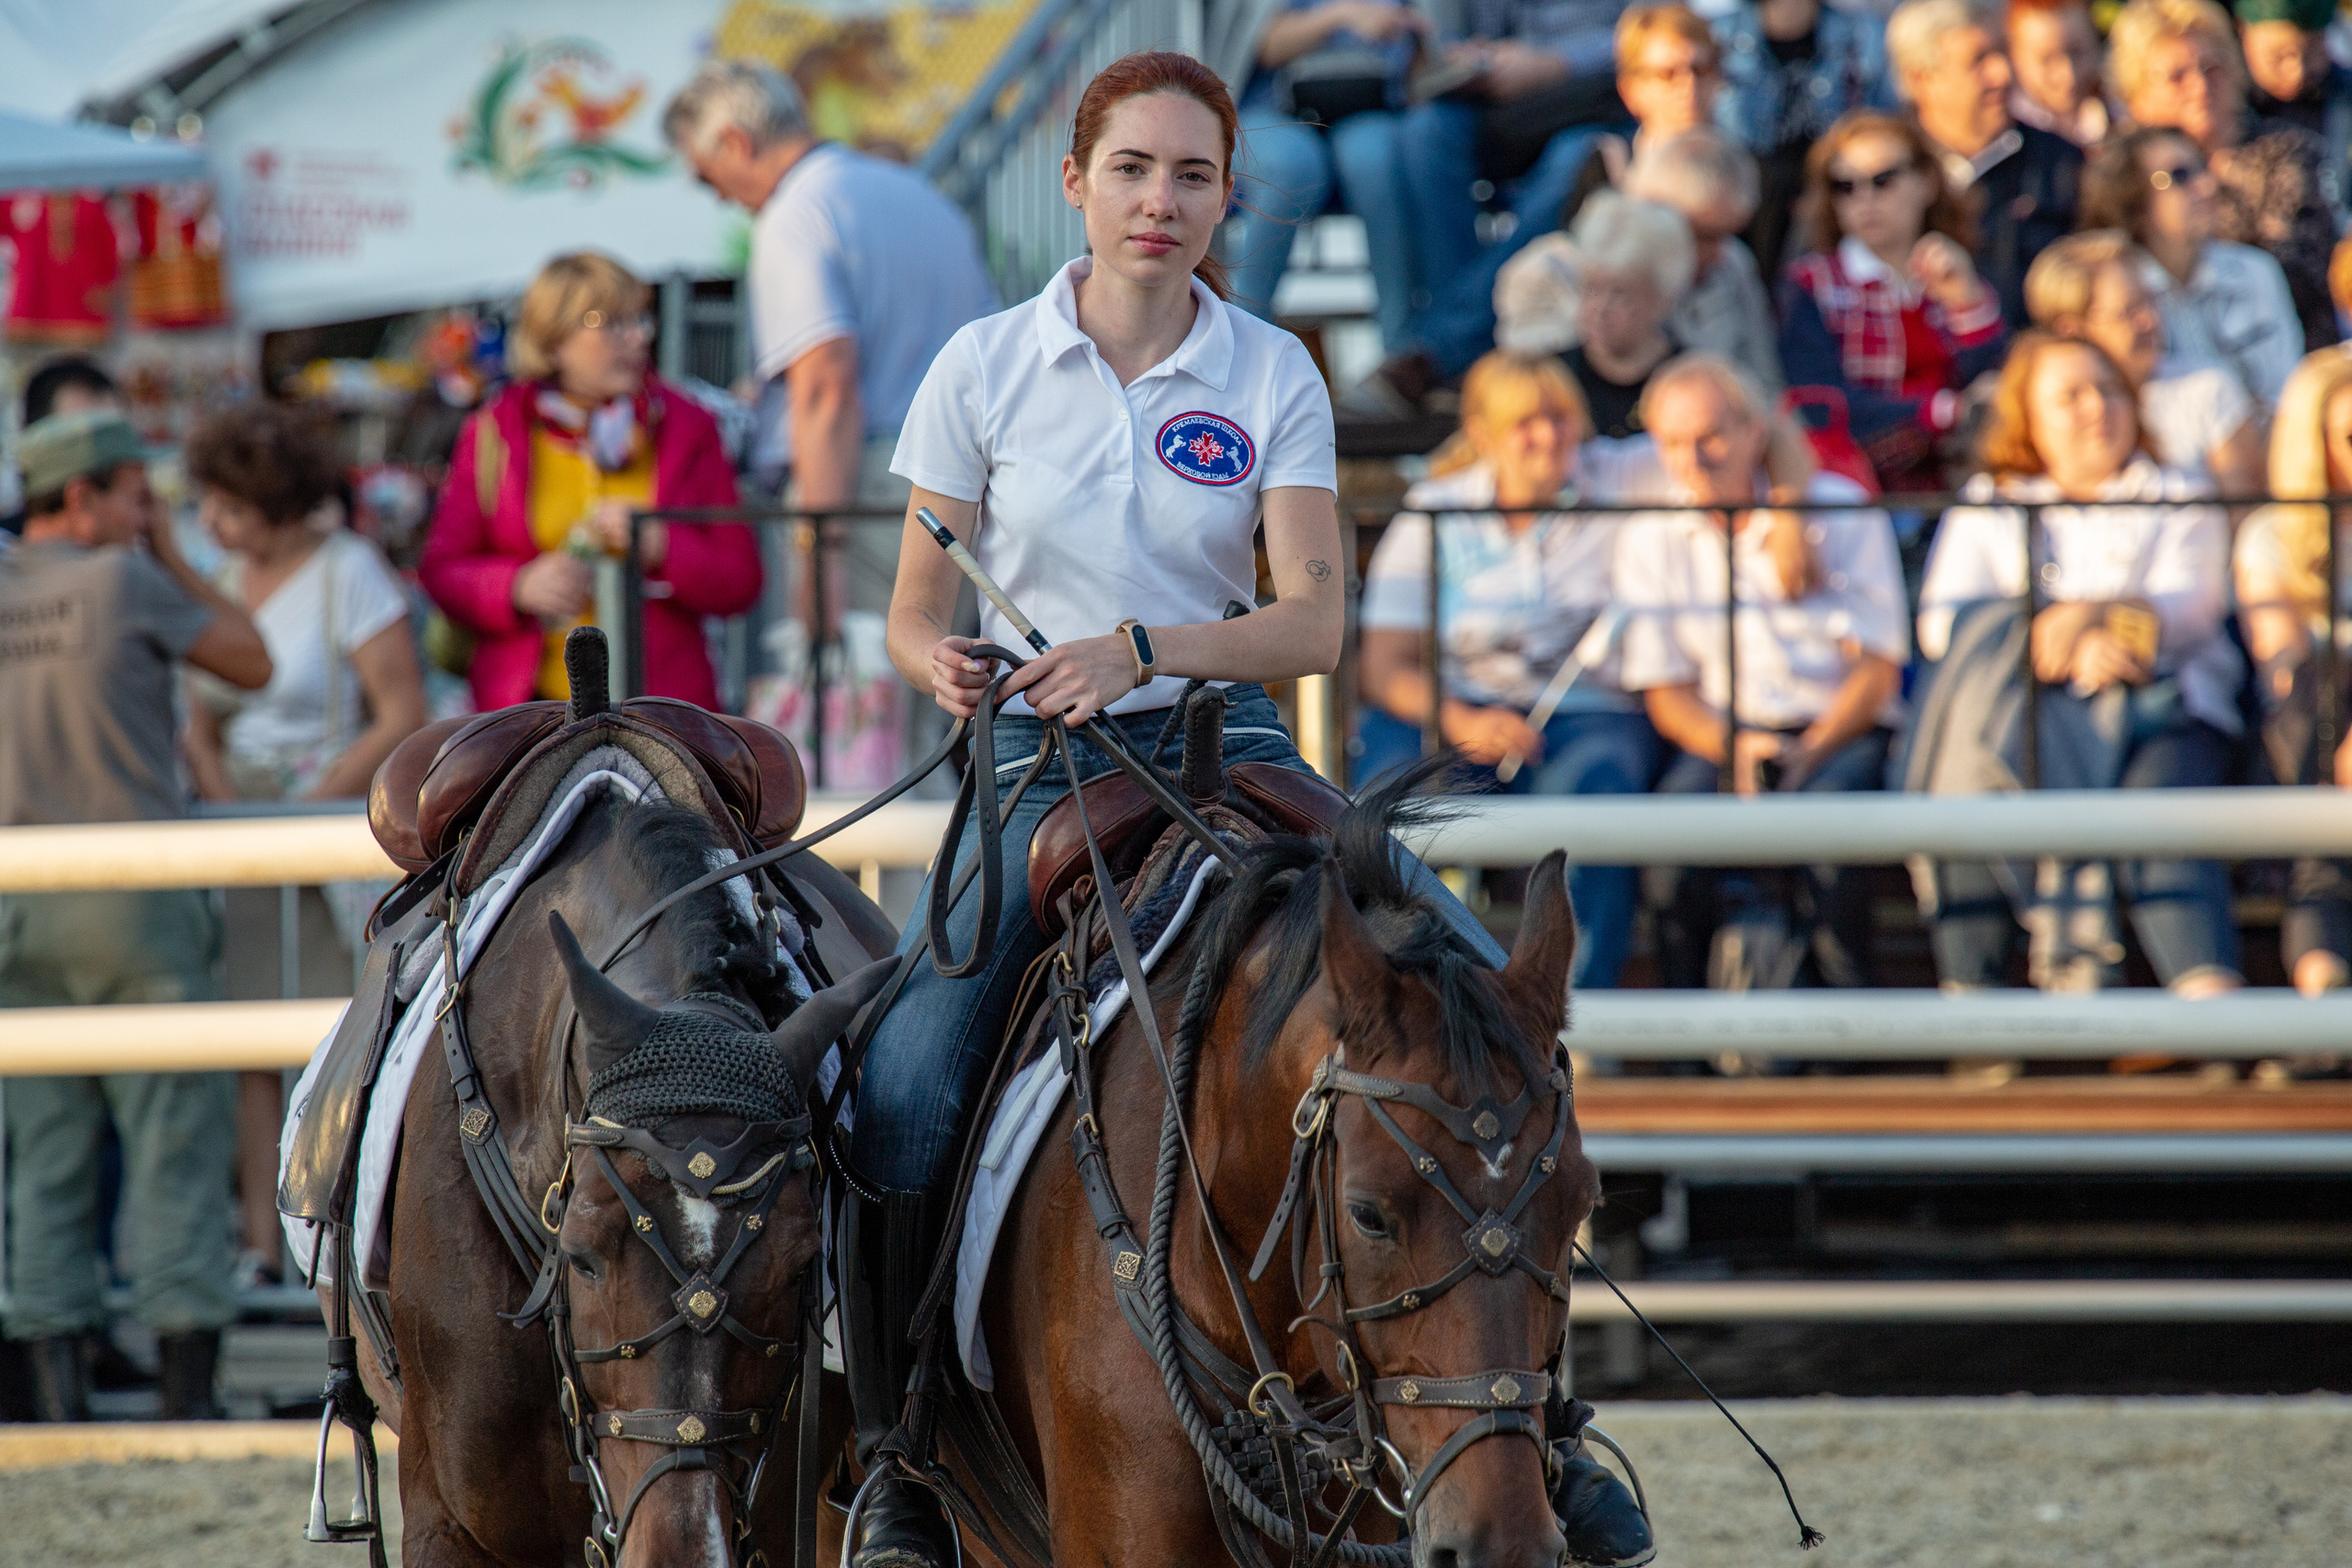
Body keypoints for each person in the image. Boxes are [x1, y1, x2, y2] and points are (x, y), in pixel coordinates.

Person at [852, 51, 1649, 1568]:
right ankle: (896, 1449)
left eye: (1196, 175)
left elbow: (1308, 628)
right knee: (898, 1088)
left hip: (1238, 748)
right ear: (1076, 182)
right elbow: (908, 608)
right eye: (1137, 169)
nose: (1164, 201)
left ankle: (1551, 1426)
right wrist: (942, 660)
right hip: (1040, 773)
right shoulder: (981, 366)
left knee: (1481, 1013)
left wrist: (1142, 648)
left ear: (1228, 195)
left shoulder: (1269, 367)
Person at [0, 411, 272, 1422]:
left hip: (18, 900)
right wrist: (173, 559)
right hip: (134, 900)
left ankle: (53, 1398)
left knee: (45, 1152)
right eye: (133, 496)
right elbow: (251, 660)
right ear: (84, 498)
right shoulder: (123, 579)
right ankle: (185, 1400)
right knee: (173, 1146)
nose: (145, 515)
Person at [177, 400, 426, 1284]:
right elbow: (195, 717)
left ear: (275, 503)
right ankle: (256, 1237)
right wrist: (220, 798)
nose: (212, 522)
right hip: (234, 823)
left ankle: (337, 1230)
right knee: (251, 1041)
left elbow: (401, 711)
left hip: (322, 825)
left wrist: (307, 804)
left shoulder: (349, 570)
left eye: (230, 505)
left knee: (332, 1031)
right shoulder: (214, 573)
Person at [1917, 333, 2245, 994]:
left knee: (2158, 810)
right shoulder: (1992, 502)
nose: (2097, 407)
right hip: (2021, 717)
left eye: (2109, 389)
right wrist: (2054, 640)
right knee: (1968, 789)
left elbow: (2191, 609)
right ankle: (1977, 1010)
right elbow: (1942, 625)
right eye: (2071, 395)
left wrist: (2087, 615)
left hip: (2163, 708)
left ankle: (2210, 1003)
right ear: (2028, 417)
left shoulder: (2178, 490)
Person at [1355, 351, 1661, 987]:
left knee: (1598, 797)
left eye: (1561, 417)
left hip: (1582, 713)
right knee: (1389, 805)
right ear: (1484, 433)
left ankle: (1580, 1017)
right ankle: (1408, 1007)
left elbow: (1732, 421)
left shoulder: (1619, 478)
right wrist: (1464, 720)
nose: (1549, 435)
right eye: (1526, 421)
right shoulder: (1434, 508)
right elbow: (1383, 668)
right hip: (1451, 706)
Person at [1617, 355, 1908, 989]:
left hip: (1838, 732)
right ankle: (1682, 1046)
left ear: (1754, 431)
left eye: (1711, 436)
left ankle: (1849, 1043)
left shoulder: (1840, 507)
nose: (1694, 460)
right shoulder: (1650, 535)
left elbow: (1878, 671)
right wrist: (1735, 748)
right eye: (1672, 443)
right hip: (1723, 736)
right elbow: (1667, 694)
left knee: (1832, 846)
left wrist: (1810, 750)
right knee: (1669, 854)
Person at [663, 61, 998, 601]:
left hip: (865, 497)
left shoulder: (794, 213)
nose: (719, 197)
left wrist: (821, 553)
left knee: (852, 679)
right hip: (962, 489)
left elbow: (826, 389)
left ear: (734, 142)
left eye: (706, 176)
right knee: (949, 679)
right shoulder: (920, 196)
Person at [418, 251, 762, 710]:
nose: (639, 337)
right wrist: (517, 586)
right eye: (613, 323)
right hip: (527, 715)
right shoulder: (495, 431)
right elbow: (441, 569)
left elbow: (741, 580)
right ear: (555, 337)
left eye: (642, 319)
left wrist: (661, 545)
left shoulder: (687, 426)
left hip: (662, 717)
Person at [1343, 0, 1665, 420]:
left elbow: (1659, 29)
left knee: (1577, 165)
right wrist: (1466, 58)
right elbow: (1440, 40)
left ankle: (1433, 356)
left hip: (1595, 104)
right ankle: (1461, 362)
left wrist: (1553, 63)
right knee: (1424, 135)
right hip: (1502, 105)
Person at [1779, 110, 2010, 491]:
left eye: (1883, 180)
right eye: (1845, 186)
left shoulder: (1962, 267)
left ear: (1927, 183)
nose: (1865, 199)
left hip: (1966, 475)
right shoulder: (1811, 285)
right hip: (1859, 484)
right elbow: (1819, 402)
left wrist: (1967, 303)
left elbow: (1996, 381)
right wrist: (1941, 411)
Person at [2107, 0, 2340, 353]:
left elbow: (2300, 278)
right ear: (2136, 94)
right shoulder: (2120, 176)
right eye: (2177, 76)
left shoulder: (2286, 154)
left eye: (2212, 68)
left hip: (2285, 350)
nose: (2199, 87)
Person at [2234, 349, 2352, 993]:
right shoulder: (2271, 537)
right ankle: (2322, 987)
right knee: (2314, 687)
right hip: (2311, 740)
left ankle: (2320, 991)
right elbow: (2280, 663)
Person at [1223, 0, 1425, 347]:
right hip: (1268, 109)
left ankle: (1401, 355)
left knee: (1376, 159)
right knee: (1294, 164)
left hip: (1370, 110)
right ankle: (1239, 340)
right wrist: (1341, 15)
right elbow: (1257, 43)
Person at [1885, 0, 2082, 328]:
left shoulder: (2061, 163)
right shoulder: (1876, 174)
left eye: (2003, 52)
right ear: (1920, 78)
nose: (2002, 74)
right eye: (1978, 61)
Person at [2077, 127, 2304, 411]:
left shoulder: (2256, 270)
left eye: (2203, 168)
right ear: (2133, 200)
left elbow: (2291, 393)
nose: (2207, 186)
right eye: (2180, 176)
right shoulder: (2121, 297)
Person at [2022, 230, 2266, 493]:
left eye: (2150, 301)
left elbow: (2245, 514)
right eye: (2128, 312)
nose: (2150, 320)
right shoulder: (2033, 402)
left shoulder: (2206, 389)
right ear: (2072, 331)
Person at [1709, 0, 1896, 284]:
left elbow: (1886, 136)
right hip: (1747, 211)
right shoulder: (1717, 35)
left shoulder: (1865, 35)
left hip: (1838, 202)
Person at [1499, 190, 1696, 435]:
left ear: (1662, 299)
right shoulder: (1553, 379)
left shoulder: (1694, 382)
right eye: (1591, 288)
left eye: (1620, 294)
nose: (1600, 309)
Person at [1621, 129, 1784, 390]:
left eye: (1727, 235)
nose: (1718, 253)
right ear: (1653, 213)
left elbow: (1766, 382)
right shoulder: (1597, 279)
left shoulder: (1734, 263)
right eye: (1704, 236)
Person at [1556, 3, 1731, 229]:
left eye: (1700, 69)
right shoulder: (1607, 167)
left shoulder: (1753, 174)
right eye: (1667, 74)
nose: (1688, 85)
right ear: (1630, 89)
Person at [2236, 0, 2352, 200]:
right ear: (2243, 32)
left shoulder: (2344, 96)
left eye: (2311, 52)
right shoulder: (2227, 104)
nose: (2297, 72)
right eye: (2277, 56)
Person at [3, 356, 119, 540]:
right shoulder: (7, 549)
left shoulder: (136, 546)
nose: (103, 458)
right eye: (78, 440)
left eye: (116, 438)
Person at [2005, 0, 2109, 146]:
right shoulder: (2008, 137)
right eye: (2047, 60)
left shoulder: (2124, 115)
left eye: (2077, 52)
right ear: (2014, 58)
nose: (2069, 76)